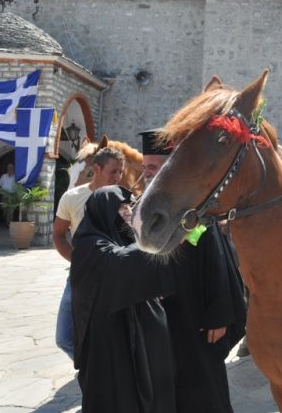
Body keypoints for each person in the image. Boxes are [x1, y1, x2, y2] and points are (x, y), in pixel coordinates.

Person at [138, 129, 246, 412]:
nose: (146, 173)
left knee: (204, 387)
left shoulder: (191, 210)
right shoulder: (144, 203)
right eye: (144, 166)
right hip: (164, 315)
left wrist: (219, 314)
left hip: (197, 313)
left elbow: (216, 257)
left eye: (152, 167)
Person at [71, 186, 176, 413]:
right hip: (110, 342)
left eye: (129, 206)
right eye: (120, 207)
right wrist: (158, 238)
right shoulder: (88, 244)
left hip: (138, 337)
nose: (128, 212)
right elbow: (120, 264)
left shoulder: (121, 237)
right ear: (104, 211)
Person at [52, 147, 125, 359]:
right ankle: (89, 366)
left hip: (115, 276)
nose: (117, 177)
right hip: (81, 275)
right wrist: (77, 260)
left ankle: (101, 371)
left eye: (120, 172)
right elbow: (58, 235)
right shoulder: (72, 197)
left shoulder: (125, 199)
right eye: (113, 171)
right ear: (96, 168)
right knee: (64, 337)